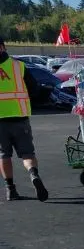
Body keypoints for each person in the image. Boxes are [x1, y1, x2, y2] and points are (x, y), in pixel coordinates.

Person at [0, 36, 48, 202]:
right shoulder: (18, 66)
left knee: (3, 155)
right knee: (27, 153)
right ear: (3, 47)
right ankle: (33, 174)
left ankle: (10, 189)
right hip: (20, 118)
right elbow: (34, 90)